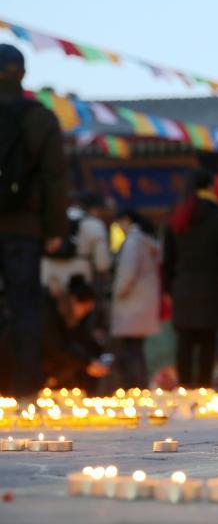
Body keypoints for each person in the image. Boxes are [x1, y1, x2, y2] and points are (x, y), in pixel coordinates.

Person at [0, 43, 69, 397]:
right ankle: (26, 391)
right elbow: (55, 178)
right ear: (23, 74)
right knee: (26, 306)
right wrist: (56, 230)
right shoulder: (40, 117)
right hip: (23, 228)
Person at [163, 169, 218, 388]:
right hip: (212, 286)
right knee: (208, 340)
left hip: (183, 286)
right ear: (210, 187)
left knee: (184, 340)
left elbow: (168, 259)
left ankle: (185, 387)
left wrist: (168, 288)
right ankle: (204, 386)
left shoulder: (177, 217)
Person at [111, 208, 161, 388]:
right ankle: (139, 387)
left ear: (126, 220)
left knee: (131, 350)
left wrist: (116, 292)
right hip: (144, 303)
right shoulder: (146, 241)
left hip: (132, 304)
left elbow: (127, 273)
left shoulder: (133, 242)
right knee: (136, 349)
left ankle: (135, 388)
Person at [41, 274, 109, 390]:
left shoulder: (74, 320)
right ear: (74, 300)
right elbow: (58, 347)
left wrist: (90, 361)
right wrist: (86, 363)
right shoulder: (53, 315)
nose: (85, 313)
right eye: (85, 308)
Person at [42, 191, 112, 297]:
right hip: (78, 289)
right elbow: (102, 265)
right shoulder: (95, 225)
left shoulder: (54, 217)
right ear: (95, 208)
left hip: (48, 282)